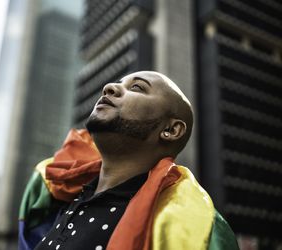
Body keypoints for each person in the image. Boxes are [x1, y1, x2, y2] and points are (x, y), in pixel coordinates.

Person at [19, 71, 239, 250]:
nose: (110, 87)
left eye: (137, 88)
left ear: (171, 129)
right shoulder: (58, 196)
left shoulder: (192, 228)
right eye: (118, 83)